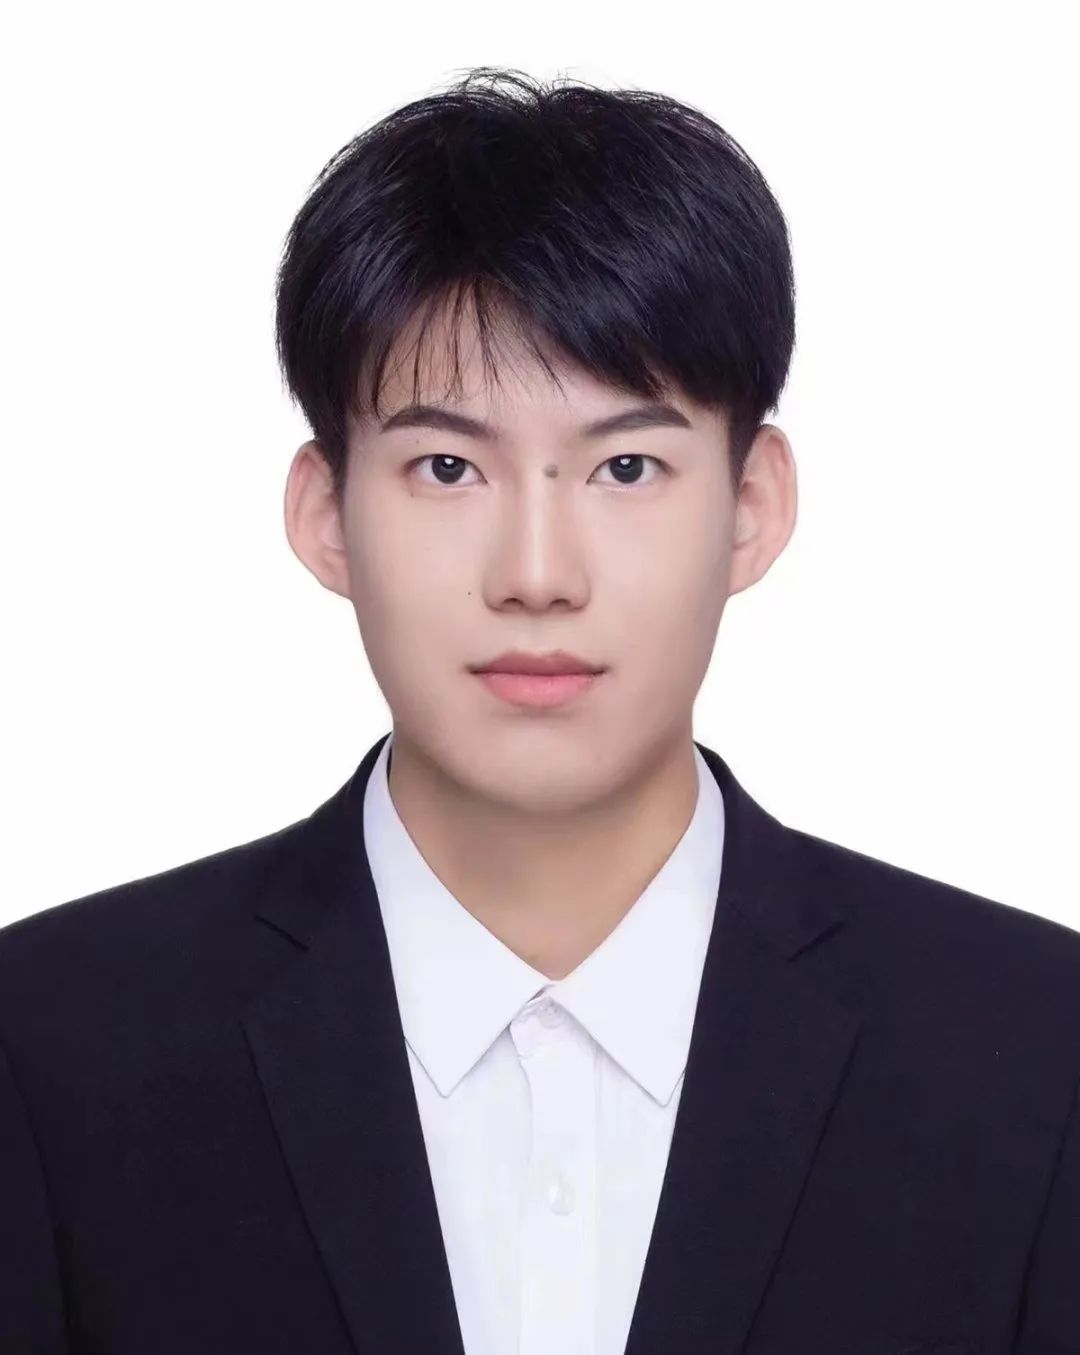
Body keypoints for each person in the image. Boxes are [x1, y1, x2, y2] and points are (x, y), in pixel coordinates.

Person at [0, 66, 1076, 1355]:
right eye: (448, 466)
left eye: (627, 466)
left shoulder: (1035, 1050)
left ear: (752, 507)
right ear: (326, 513)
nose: (536, 574)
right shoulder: (51, 1046)